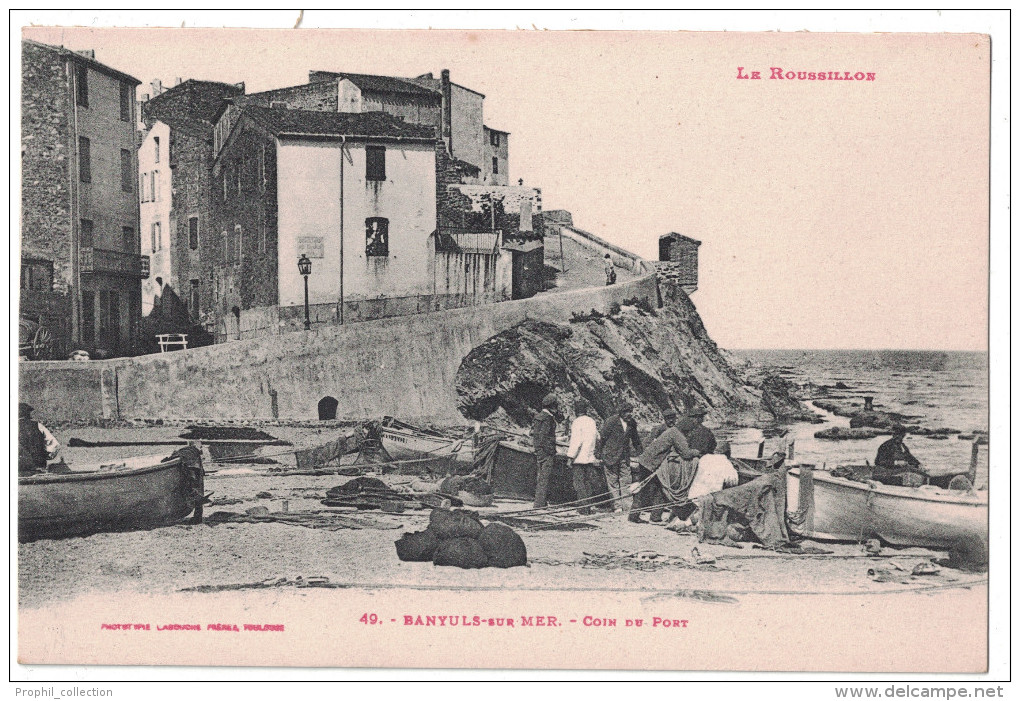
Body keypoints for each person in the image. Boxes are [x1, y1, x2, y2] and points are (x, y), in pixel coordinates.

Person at [630, 424, 700, 524]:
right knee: (647, 490)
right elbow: (686, 453)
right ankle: (645, 517)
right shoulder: (677, 434)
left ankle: (648, 516)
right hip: (650, 464)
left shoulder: (672, 431)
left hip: (647, 461)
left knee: (658, 490)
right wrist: (697, 452)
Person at [598, 403, 642, 513]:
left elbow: (636, 440)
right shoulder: (611, 422)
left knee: (626, 480)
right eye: (626, 412)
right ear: (621, 413)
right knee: (612, 482)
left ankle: (627, 507)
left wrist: (641, 454)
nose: (629, 414)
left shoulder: (632, 423)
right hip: (610, 456)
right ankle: (617, 507)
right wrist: (599, 454)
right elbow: (602, 438)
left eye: (631, 411)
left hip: (624, 457)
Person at [566, 399, 600, 515]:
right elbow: (597, 438)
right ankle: (588, 507)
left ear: (576, 410)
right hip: (590, 457)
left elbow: (576, 442)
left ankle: (583, 508)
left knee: (579, 484)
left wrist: (570, 457)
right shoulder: (592, 421)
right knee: (588, 483)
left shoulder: (577, 422)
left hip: (579, 458)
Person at [532, 393, 560, 509]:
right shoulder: (548, 419)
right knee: (545, 478)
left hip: (538, 450)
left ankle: (540, 502)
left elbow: (536, 435)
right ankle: (539, 504)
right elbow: (544, 437)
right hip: (546, 452)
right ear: (552, 406)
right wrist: (551, 451)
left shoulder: (538, 417)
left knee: (540, 476)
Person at [18, 403, 60, 475]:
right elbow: (55, 445)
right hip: (38, 467)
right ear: (28, 413)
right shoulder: (37, 425)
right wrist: (46, 456)